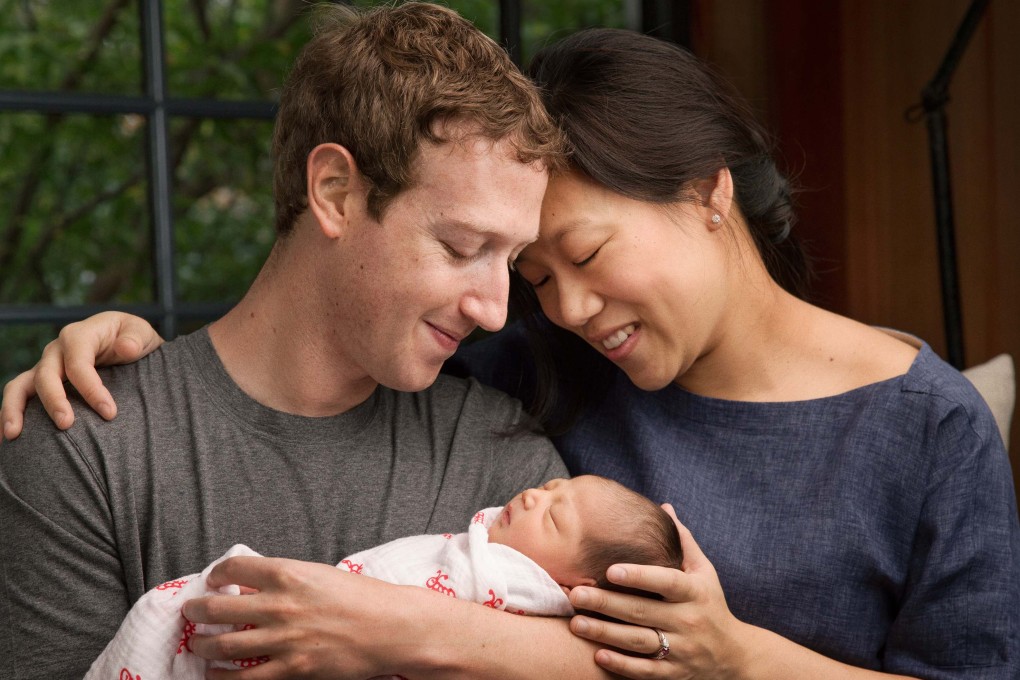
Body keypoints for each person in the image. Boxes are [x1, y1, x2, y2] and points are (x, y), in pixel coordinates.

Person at [4, 23, 1019, 680]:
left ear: (711, 192)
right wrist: (133, 358)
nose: (538, 307)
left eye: (580, 255)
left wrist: (735, 656)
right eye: (529, 272)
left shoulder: (928, 427)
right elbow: (317, 329)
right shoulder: (541, 371)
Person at [0, 4, 641, 679]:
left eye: (508, 262)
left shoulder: (502, 470)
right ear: (334, 192)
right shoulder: (87, 447)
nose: (494, 309)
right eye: (461, 247)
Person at [86, 476, 683, 679]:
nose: (533, 495)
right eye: (552, 488)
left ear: (575, 590)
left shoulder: (515, 584)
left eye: (553, 515)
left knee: (175, 615)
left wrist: (399, 626)